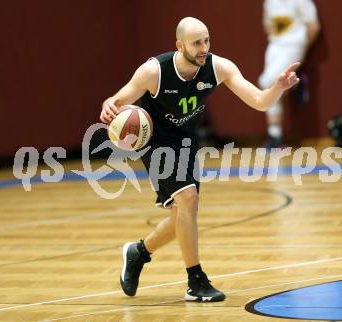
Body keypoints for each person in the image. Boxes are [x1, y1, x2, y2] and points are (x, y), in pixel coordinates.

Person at [100, 17, 300, 302]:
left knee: (182, 214)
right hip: (156, 142)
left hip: (186, 142)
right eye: (196, 43)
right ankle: (196, 281)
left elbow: (259, 101)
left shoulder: (219, 67)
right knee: (189, 199)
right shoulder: (153, 71)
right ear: (179, 45)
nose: (203, 47)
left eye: (206, 40)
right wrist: (111, 105)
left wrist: (278, 87)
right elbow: (117, 102)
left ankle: (139, 252)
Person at [259, 0, 321, 148]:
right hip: (275, 46)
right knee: (268, 88)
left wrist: (302, 49)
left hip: (294, 47)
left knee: (267, 82)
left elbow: (313, 27)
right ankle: (275, 136)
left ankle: (294, 81)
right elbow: (267, 25)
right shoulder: (269, 2)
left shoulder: (302, 2)